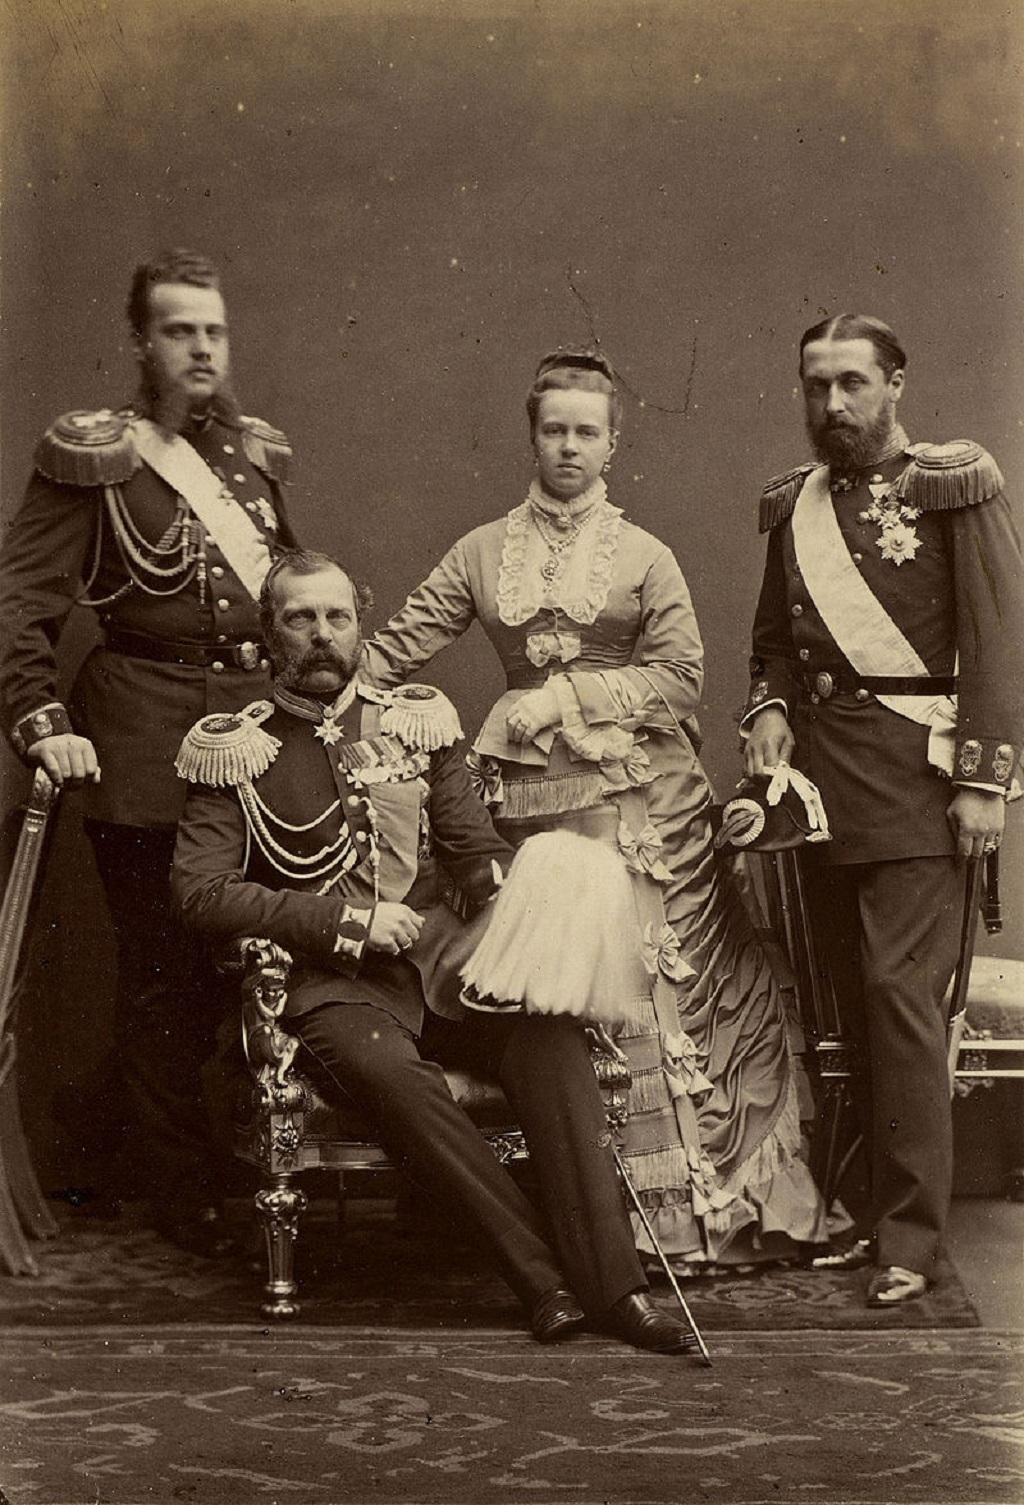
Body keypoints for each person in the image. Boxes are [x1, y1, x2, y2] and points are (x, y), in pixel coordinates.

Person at [361, 349, 831, 1271]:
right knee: (540, 993)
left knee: (643, 981)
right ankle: (570, 1209)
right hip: (521, 803)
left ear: (614, 443)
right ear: (532, 437)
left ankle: (671, 1222)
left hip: (638, 797)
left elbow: (682, 678)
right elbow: (393, 647)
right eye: (554, 430)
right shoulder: (481, 551)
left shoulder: (645, 555)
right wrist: (343, 709)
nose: (569, 447)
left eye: (587, 432)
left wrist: (569, 697)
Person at [170, 547, 699, 1354]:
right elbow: (202, 893)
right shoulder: (234, 747)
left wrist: (530, 884)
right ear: (271, 632)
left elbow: (471, 850)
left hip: (447, 967)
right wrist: (345, 921)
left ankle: (617, 1291)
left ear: (361, 624)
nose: (322, 633)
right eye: (301, 618)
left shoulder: (418, 721)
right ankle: (543, 1282)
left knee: (551, 1039)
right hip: (330, 984)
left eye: (338, 616)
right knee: (393, 1073)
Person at [0, 248, 299, 1253]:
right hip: (140, 741)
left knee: (233, 962)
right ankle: (179, 1183)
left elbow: (287, 596)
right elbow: (21, 604)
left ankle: (121, 1135)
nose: (202, 348)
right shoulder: (95, 456)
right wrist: (42, 718)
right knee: (165, 963)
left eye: (214, 330)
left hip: (253, 739)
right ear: (142, 342)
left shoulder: (253, 457)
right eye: (180, 331)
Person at [741, 313, 1023, 1305]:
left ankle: (910, 1238)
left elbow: (998, 641)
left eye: (852, 383)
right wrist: (770, 711)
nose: (832, 405)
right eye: (816, 385)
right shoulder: (795, 504)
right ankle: (862, 1214)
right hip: (821, 795)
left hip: (917, 787)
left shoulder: (954, 484)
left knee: (900, 1006)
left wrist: (983, 782)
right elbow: (773, 643)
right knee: (846, 1010)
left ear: (896, 383)